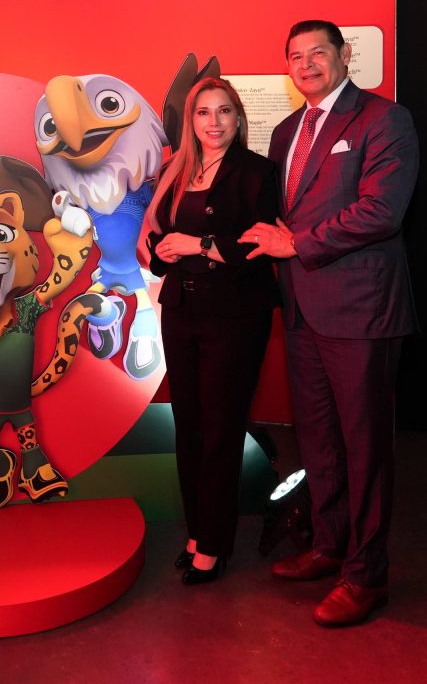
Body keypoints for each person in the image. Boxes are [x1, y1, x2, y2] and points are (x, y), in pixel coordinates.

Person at [240, 20, 418, 626]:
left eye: (319, 52)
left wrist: (298, 245)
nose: (308, 64)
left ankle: (367, 575)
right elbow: (275, 212)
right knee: (318, 438)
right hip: (301, 309)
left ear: (344, 55)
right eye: (296, 56)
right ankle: (329, 544)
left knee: (365, 446)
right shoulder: (287, 130)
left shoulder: (383, 119)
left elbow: (381, 211)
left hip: (361, 310)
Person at [147, 77, 278, 585]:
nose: (214, 121)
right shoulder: (175, 169)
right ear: (191, 121)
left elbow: (260, 244)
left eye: (224, 111)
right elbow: (159, 232)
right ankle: (197, 533)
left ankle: (214, 546)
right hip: (181, 308)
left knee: (222, 428)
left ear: (238, 118)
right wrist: (162, 248)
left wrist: (198, 245)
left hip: (235, 314)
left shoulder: (257, 171)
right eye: (204, 112)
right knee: (190, 426)